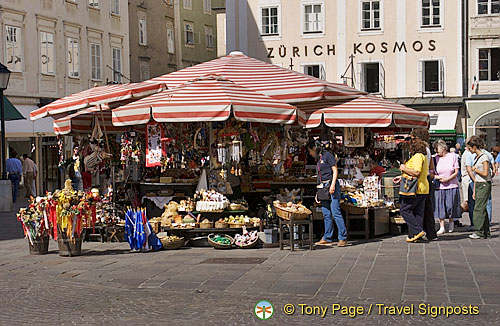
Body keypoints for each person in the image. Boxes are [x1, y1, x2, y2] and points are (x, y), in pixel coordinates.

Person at [308, 140, 347, 247]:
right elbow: (320, 177)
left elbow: (335, 170)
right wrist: (318, 192)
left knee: (335, 212)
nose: (310, 154)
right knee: (326, 214)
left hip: (331, 185)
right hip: (323, 187)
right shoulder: (319, 159)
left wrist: (333, 185)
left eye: (310, 151)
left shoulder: (327, 155)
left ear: (314, 149)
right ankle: (327, 237)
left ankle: (342, 237)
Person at [398, 138, 429, 242]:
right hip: (423, 188)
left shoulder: (417, 157)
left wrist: (403, 168)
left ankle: (417, 231)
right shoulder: (422, 156)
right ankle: (416, 235)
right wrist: (402, 176)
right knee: (418, 212)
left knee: (404, 209)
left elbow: (416, 172)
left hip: (416, 188)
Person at [410, 128, 437, 240]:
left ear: (418, 138)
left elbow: (418, 169)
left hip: (419, 180)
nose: (412, 141)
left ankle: (417, 232)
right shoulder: (428, 149)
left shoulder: (420, 150)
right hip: (427, 180)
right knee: (426, 208)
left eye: (413, 139)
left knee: (415, 208)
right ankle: (430, 233)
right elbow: (431, 166)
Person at [432, 140, 461, 234]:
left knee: (451, 205)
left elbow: (456, 171)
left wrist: (448, 178)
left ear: (443, 148)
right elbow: (430, 173)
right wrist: (437, 177)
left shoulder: (453, 156)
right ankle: (442, 226)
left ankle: (452, 222)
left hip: (452, 185)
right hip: (439, 186)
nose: (436, 151)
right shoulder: (434, 159)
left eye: (437, 149)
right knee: (440, 206)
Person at [468, 137, 491, 239]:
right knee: (482, 208)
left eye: (470, 147)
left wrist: (475, 170)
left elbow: (486, 173)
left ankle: (479, 231)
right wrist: (474, 190)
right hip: (478, 184)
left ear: (474, 147)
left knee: (478, 208)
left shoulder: (484, 157)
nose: (468, 149)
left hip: (484, 184)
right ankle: (485, 231)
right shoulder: (477, 158)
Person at [461, 141, 475, 231]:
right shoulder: (468, 154)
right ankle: (455, 217)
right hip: (468, 178)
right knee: (468, 202)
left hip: (467, 178)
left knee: (469, 201)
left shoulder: (467, 153)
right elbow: (469, 168)